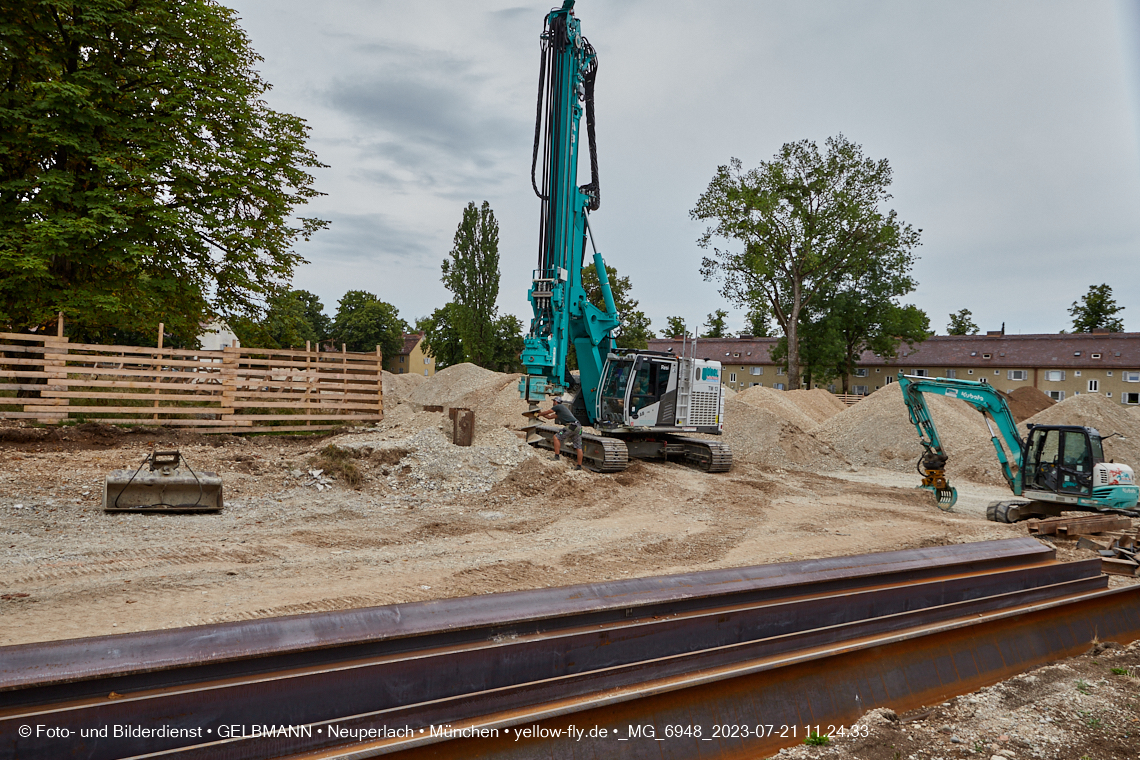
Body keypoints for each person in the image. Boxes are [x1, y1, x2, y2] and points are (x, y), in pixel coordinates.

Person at [537, 396, 584, 470]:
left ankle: (556, 456)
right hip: (578, 426)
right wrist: (540, 413)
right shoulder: (561, 411)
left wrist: (538, 414)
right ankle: (579, 466)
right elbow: (549, 417)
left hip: (571, 426)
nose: (553, 403)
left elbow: (549, 411)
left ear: (556, 401)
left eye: (553, 401)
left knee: (556, 437)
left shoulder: (558, 406)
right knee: (578, 447)